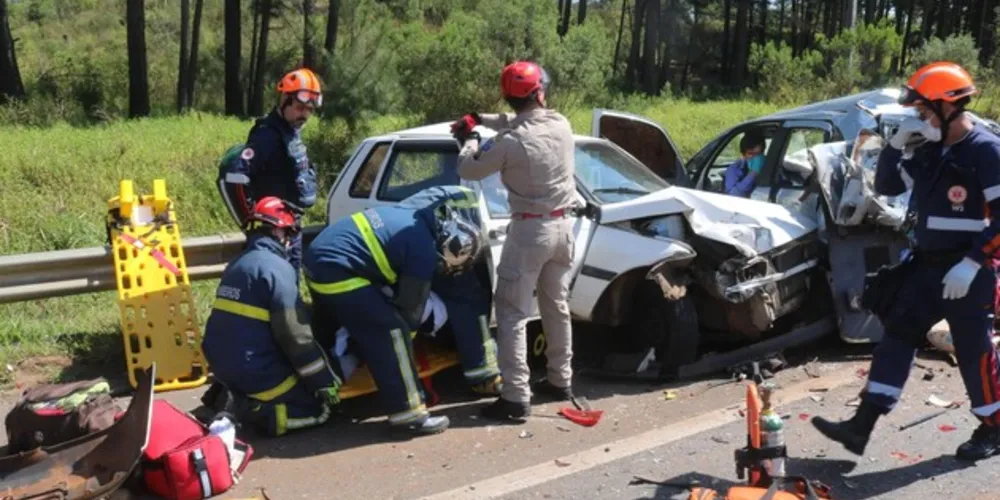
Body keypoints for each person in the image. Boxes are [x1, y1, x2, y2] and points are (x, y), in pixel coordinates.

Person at [811, 61, 1000, 461]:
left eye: (922, 109)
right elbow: (888, 186)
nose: (918, 116)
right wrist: (895, 147)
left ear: (947, 107)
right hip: (927, 267)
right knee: (896, 335)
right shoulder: (928, 148)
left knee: (974, 351)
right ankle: (861, 425)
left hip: (970, 272)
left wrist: (973, 262)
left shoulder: (986, 150)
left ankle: (993, 427)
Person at [302, 185, 493, 436]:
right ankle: (408, 415)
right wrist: (407, 342)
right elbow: (410, 312)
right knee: (392, 333)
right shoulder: (423, 253)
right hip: (338, 271)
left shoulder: (414, 217)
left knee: (346, 327)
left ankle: (325, 377)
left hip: (319, 258)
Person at [450, 60, 579, 422]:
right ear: (539, 93)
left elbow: (468, 168)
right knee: (557, 306)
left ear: (510, 97)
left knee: (511, 314)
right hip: (562, 229)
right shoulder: (561, 124)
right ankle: (560, 379)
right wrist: (482, 118)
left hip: (529, 233)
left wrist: (470, 137)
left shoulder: (510, 143)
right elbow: (519, 119)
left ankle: (516, 396)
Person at [201, 197, 342, 437]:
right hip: (254, 369)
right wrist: (322, 381)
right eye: (289, 232)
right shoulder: (276, 269)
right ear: (278, 229)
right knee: (319, 410)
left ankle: (232, 396)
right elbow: (296, 337)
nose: (290, 240)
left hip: (221, 363)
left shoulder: (237, 264)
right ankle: (252, 414)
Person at [217, 67, 322, 273]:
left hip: (292, 226)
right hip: (273, 232)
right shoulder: (267, 135)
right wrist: (254, 222)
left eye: (310, 109)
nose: (305, 115)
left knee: (289, 284)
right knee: (273, 287)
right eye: (300, 108)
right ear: (284, 100)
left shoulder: (290, 132)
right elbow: (236, 177)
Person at [723, 132, 767, 197]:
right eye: (751, 154)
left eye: (758, 154)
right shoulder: (734, 170)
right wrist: (752, 174)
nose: (755, 158)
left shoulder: (768, 165)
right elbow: (733, 195)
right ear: (743, 155)